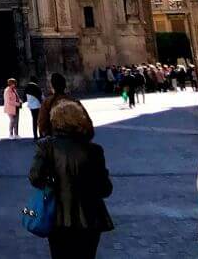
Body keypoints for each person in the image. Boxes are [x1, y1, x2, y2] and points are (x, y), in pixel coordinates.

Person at [29, 100, 113, 258]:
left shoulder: (46, 146)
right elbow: (105, 189)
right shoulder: (94, 150)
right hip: (90, 218)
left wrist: (52, 184)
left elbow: (35, 177)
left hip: (58, 217)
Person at [38, 73, 94, 140]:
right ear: (65, 86)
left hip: (56, 143)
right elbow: (88, 126)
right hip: (77, 141)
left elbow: (42, 125)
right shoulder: (74, 101)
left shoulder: (47, 103)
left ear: (52, 87)